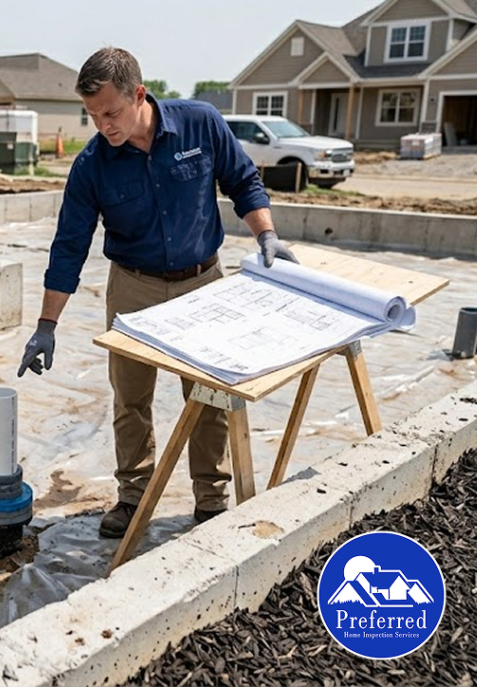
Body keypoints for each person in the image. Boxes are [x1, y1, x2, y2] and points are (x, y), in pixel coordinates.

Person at [16, 47, 297, 539]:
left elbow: (242, 180)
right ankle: (134, 495)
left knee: (210, 395)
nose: (102, 125)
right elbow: (68, 248)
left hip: (203, 282)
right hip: (134, 288)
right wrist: (46, 325)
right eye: (92, 116)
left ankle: (211, 499)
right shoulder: (92, 166)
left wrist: (266, 235)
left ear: (139, 95)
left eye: (111, 112)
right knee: (130, 398)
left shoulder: (200, 124)